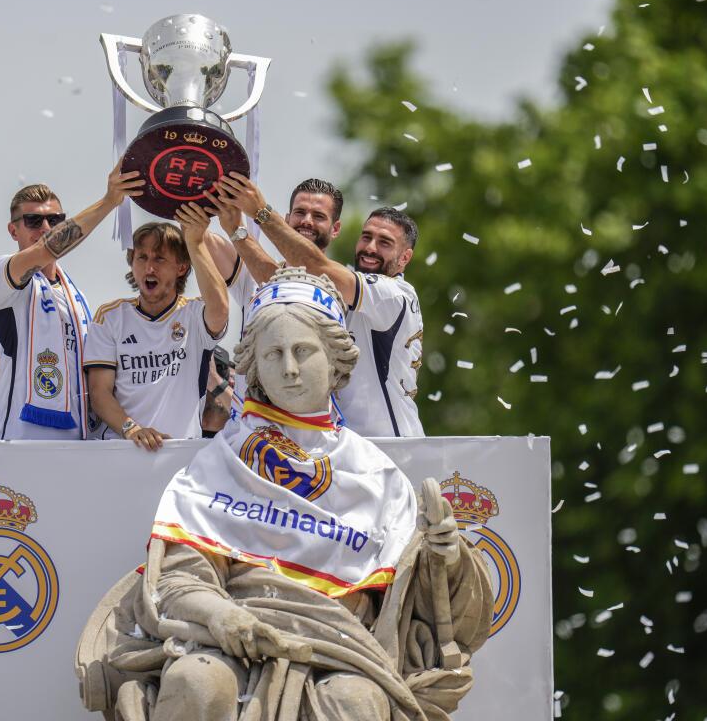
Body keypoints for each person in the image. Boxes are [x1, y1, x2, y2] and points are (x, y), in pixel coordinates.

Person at [75, 268, 492, 720]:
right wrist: (219, 614)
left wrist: (445, 557)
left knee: (355, 701)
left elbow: (430, 607)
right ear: (254, 366)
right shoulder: (222, 462)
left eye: (303, 351)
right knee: (196, 679)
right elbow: (178, 580)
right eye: (273, 354)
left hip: (341, 650)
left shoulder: (376, 473)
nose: (289, 368)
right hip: (231, 639)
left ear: (335, 361)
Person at [213, 173, 425, 438]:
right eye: (366, 237)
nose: (370, 248)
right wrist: (235, 230)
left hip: (392, 446)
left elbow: (315, 266)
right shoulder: (353, 290)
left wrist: (261, 212)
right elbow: (284, 280)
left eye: (384, 243)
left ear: (405, 258)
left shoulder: (393, 295)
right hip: (346, 447)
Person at [0, 163, 144, 441]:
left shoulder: (75, 296)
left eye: (56, 220)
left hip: (77, 447)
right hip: (21, 443)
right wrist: (108, 202)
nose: (46, 228)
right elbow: (48, 248)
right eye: (33, 221)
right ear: (13, 230)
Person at [83, 203, 229, 452]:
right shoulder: (110, 317)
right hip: (121, 451)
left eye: (160, 258)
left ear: (181, 267)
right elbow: (99, 393)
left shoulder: (194, 314)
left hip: (181, 454)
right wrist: (133, 430)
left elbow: (220, 310)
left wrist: (195, 243)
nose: (149, 268)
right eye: (142, 257)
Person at [201, 177, 346, 419]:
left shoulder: (345, 287)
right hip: (250, 433)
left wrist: (257, 214)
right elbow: (200, 237)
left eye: (318, 216)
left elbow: (304, 270)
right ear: (287, 219)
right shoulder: (250, 275)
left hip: (312, 432)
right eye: (300, 212)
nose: (307, 221)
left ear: (336, 229)